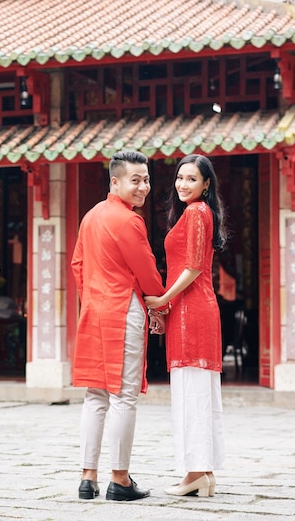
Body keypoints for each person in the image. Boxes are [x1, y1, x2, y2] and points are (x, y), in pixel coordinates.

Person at [71, 150, 167, 502]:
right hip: (122, 310)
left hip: (94, 310)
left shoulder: (92, 215)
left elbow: (77, 264)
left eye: (146, 180)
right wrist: (161, 304)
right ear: (115, 181)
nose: (143, 187)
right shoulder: (129, 221)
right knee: (123, 397)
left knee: (95, 395)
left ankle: (87, 477)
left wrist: (91, 297)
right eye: (135, 180)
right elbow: (146, 269)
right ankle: (120, 478)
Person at [145, 154, 227, 498]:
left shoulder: (195, 213)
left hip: (192, 310)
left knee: (191, 391)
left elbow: (192, 268)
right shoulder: (198, 213)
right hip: (193, 309)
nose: (183, 184)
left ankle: (195, 472)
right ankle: (202, 472)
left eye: (192, 179)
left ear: (206, 185)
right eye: (180, 178)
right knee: (198, 391)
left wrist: (163, 300)